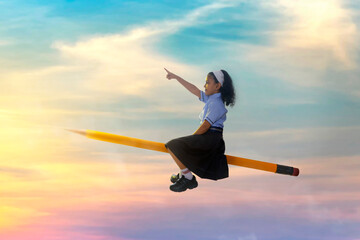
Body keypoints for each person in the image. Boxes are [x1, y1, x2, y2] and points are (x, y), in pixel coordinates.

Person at [164, 68, 236, 192]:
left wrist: (191, 140)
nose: (204, 85)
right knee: (179, 147)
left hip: (210, 138)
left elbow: (205, 126)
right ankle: (185, 174)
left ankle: (187, 177)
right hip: (208, 137)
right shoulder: (211, 99)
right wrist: (176, 77)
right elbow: (194, 90)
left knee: (173, 145)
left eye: (208, 82)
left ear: (218, 85)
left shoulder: (217, 104)